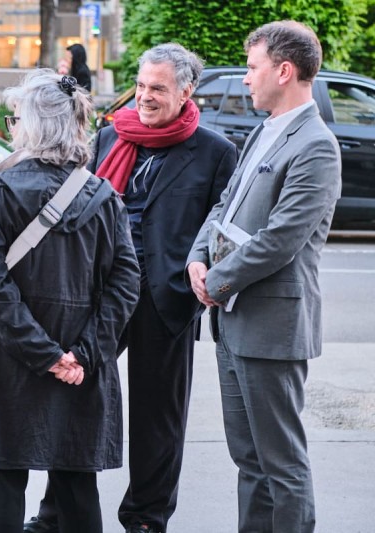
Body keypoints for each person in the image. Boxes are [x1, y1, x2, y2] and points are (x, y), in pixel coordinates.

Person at [25, 43, 237, 533]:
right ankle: (58, 514)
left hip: (165, 301)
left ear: (186, 92)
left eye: (157, 88)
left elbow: (220, 226)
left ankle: (146, 518)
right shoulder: (108, 138)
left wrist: (202, 274)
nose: (144, 96)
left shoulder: (215, 152)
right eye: (141, 86)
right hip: (98, 294)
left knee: (157, 419)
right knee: (75, 402)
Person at [0, 70, 140, 533]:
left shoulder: (2, 188)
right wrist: (83, 354)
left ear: (31, 125)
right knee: (76, 486)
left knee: (2, 484)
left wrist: (45, 354)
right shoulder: (103, 195)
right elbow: (127, 280)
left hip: (8, 361)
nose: (11, 128)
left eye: (14, 119)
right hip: (81, 362)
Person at [186, 21, 341, 533]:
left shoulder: (316, 145)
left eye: (252, 68)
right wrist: (197, 258)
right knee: (249, 461)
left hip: (272, 329)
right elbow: (224, 205)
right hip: (232, 323)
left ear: (284, 69)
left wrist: (217, 280)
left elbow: (281, 240)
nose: (246, 80)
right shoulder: (263, 130)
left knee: (282, 465)